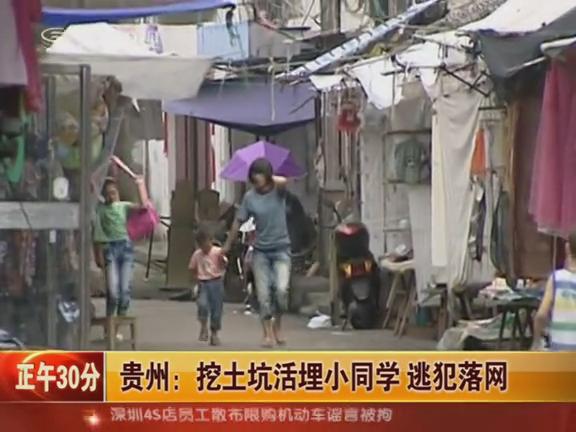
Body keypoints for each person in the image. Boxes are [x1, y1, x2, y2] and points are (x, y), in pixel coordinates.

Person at [223, 158, 290, 348]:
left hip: (281, 249)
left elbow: (284, 181)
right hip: (261, 252)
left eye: (259, 175)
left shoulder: (278, 192)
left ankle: (278, 325)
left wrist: (269, 176)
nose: (256, 179)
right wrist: (227, 245)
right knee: (263, 295)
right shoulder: (250, 198)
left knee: (281, 291)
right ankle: (267, 333)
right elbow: (238, 221)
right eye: (253, 175)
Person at [93, 177, 145, 318]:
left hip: (126, 248)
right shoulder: (101, 209)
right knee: (113, 291)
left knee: (125, 290)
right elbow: (96, 235)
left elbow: (143, 206)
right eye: (108, 193)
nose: (111, 196)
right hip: (110, 250)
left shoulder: (123, 206)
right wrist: (98, 254)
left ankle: (120, 319)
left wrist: (140, 186)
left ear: (118, 193)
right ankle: (110, 321)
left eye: (113, 193)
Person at [532, 233, 576, 351]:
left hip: (559, 348)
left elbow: (541, 315)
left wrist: (536, 340)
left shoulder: (556, 278)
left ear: (567, 248)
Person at [189, 228, 227, 346]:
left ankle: (214, 333)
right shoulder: (197, 254)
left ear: (210, 241)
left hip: (216, 281)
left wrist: (222, 259)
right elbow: (192, 268)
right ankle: (203, 326)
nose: (204, 248)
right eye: (201, 245)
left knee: (216, 309)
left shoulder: (217, 252)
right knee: (202, 305)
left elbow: (224, 264)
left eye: (206, 243)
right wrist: (195, 281)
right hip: (203, 282)